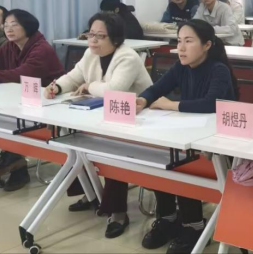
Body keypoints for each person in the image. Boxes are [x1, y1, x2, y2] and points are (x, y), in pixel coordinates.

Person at [46, 13, 152, 238]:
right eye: (90, 34)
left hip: (137, 120)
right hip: (101, 115)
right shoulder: (90, 53)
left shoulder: (128, 57)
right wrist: (56, 87)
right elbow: (73, 77)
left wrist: (89, 85)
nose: (92, 40)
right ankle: (91, 193)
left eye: (99, 36)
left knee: (111, 151)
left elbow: (114, 90)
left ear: (115, 38)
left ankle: (118, 212)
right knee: (74, 142)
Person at [137, 20, 238, 253]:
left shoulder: (218, 70)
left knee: (184, 165)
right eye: (179, 41)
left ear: (207, 45)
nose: (181, 48)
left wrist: (171, 105)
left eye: (188, 41)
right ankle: (168, 218)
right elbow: (157, 88)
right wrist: (143, 99)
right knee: (160, 159)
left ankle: (194, 225)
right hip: (189, 135)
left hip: (216, 144)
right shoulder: (181, 66)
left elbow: (211, 104)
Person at [0, 9, 64, 191]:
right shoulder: (9, 46)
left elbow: (20, 75)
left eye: (14, 25)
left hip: (49, 104)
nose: (8, 29)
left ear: (27, 26)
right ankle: (14, 162)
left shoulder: (41, 48)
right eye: (6, 25)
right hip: (20, 101)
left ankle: (13, 161)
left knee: (6, 117)